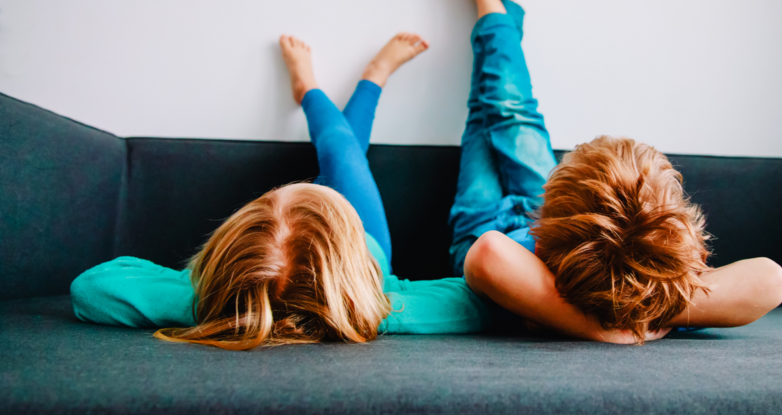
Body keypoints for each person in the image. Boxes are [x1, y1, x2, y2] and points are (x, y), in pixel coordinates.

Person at [419, 0, 782, 344]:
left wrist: (594, 328)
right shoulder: (654, 291)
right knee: (507, 110)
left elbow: (488, 250)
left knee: (486, 117)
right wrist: (638, 316)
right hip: (561, 225)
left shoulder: (511, 255)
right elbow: (770, 279)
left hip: (493, 225)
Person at [70, 33, 492, 350]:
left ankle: (314, 87)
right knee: (344, 158)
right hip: (370, 250)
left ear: (222, 257)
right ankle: (363, 80)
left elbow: (93, 286)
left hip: (265, 286)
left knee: (344, 157)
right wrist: (355, 307)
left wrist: (230, 303)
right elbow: (479, 302)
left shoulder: (219, 294)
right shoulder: (375, 301)